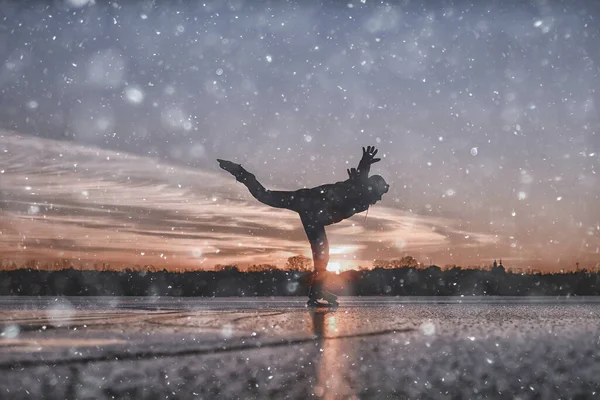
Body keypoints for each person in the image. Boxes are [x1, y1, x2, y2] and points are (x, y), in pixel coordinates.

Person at [217, 146, 389, 307]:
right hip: (310, 204)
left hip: (312, 211)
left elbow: (356, 183)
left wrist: (357, 177)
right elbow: (360, 180)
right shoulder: (361, 192)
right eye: (381, 193)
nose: (380, 199)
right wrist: (364, 163)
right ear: (372, 189)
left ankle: (317, 292)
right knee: (321, 255)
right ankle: (315, 293)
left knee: (321, 256)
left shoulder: (361, 195)